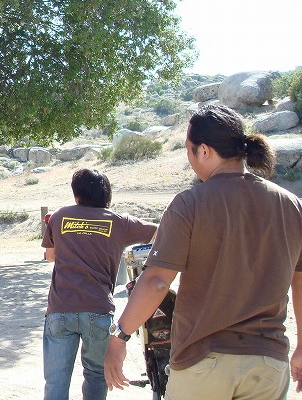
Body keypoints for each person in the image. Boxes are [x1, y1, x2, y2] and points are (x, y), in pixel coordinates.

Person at [104, 104, 302, 399]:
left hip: (203, 362)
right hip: (268, 364)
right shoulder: (291, 205)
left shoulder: (189, 204)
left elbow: (157, 281)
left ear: (205, 151)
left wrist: (120, 337)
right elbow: (299, 281)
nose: (189, 158)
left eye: (189, 149)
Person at [41, 168, 157, 400]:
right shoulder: (119, 221)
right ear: (106, 195)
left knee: (56, 381)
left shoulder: (59, 216)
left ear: (76, 194)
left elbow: (51, 256)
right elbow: (160, 233)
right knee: (95, 375)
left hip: (60, 309)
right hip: (98, 310)